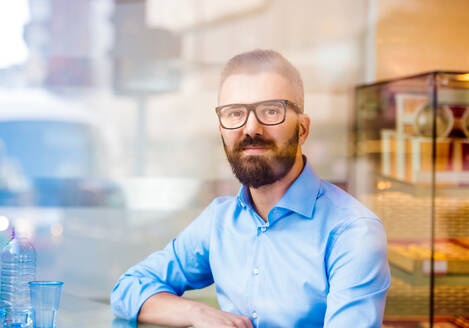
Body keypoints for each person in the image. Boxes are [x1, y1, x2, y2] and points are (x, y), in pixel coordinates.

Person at [110, 49, 391, 328]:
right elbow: (128, 289)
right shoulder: (219, 221)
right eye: (235, 113)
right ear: (221, 129)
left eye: (271, 110)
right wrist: (198, 313)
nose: (250, 128)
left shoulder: (352, 231)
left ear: (303, 129)